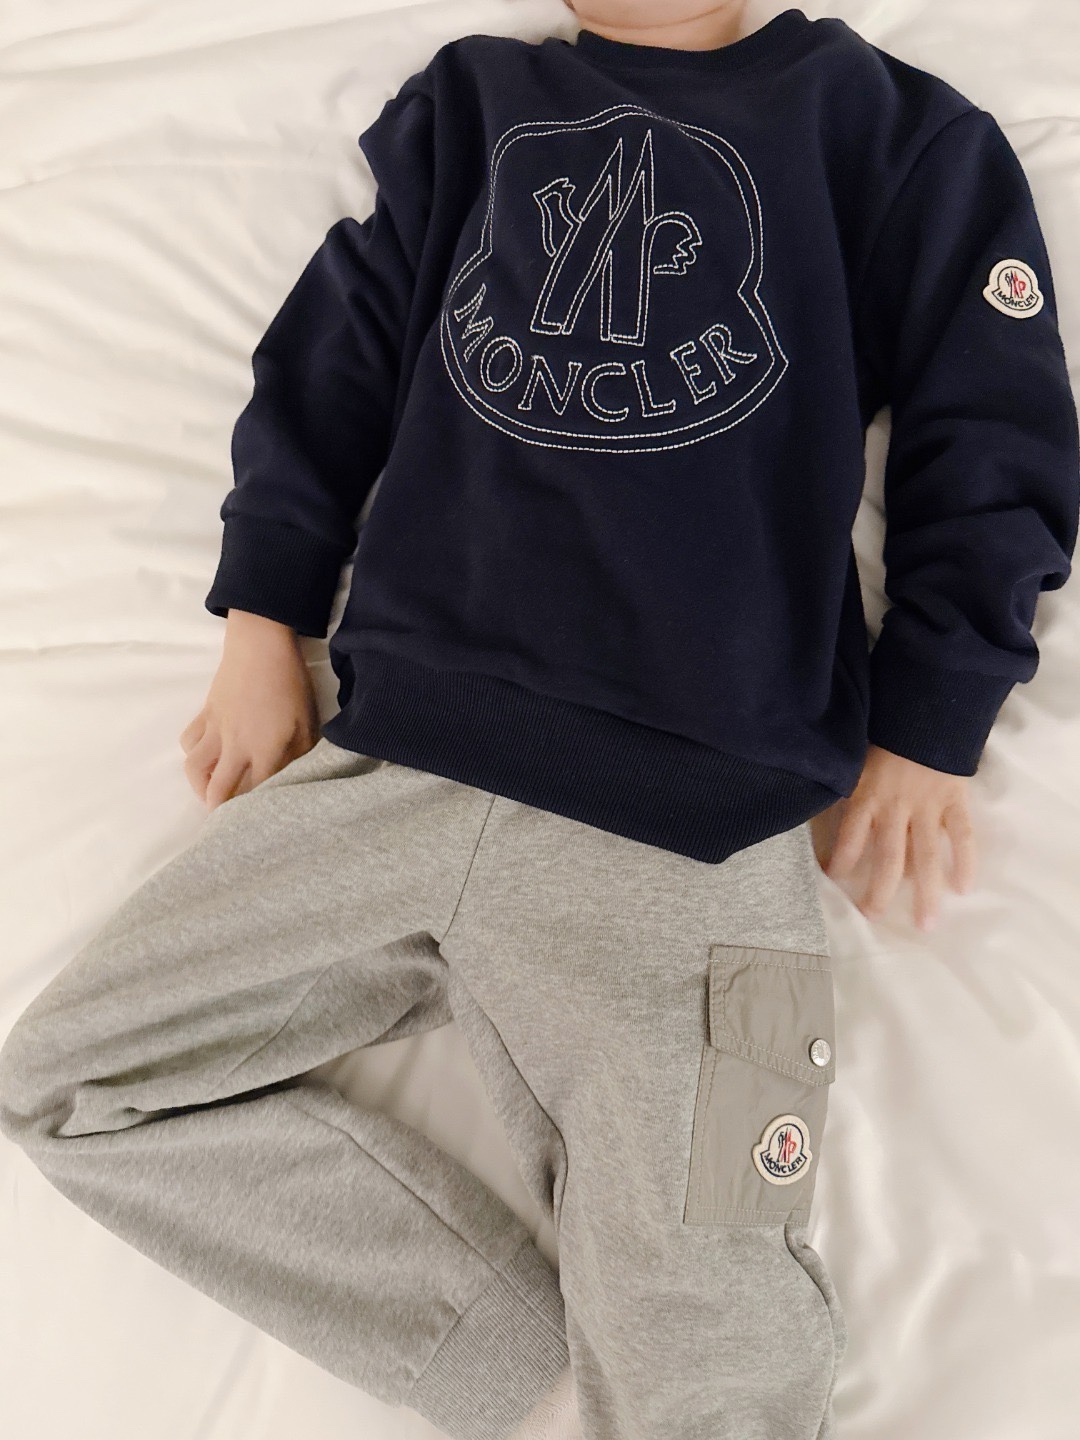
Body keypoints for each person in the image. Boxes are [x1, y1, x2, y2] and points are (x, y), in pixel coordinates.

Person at [1, 3, 1077, 1438]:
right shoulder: (473, 103)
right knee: (74, 1078)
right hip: (397, 768)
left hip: (701, 827)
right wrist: (263, 612)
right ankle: (513, 1357)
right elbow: (334, 354)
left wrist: (937, 716)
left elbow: (997, 424)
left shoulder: (891, 134)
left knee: (707, 1326)